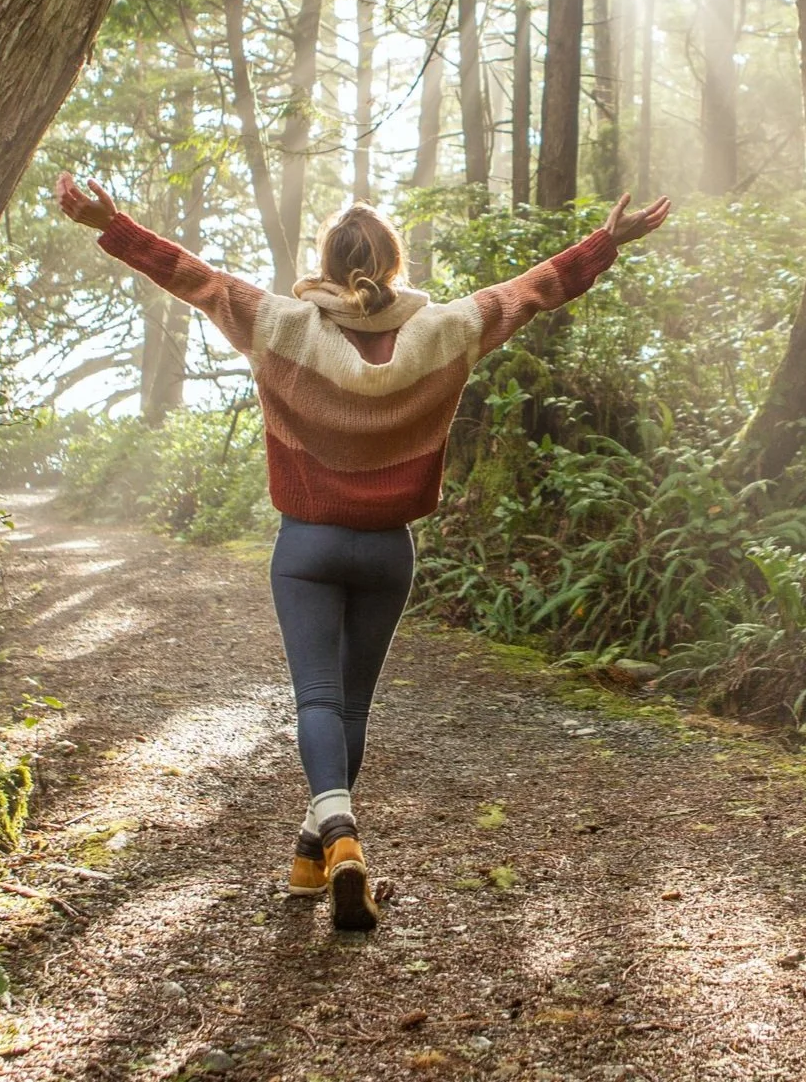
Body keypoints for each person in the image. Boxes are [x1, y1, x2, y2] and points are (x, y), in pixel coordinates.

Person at [56, 172, 670, 930]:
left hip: (307, 544)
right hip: (388, 552)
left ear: (327, 261)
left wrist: (112, 224)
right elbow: (532, 291)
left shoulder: (280, 324)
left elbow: (193, 277)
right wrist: (606, 242)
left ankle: (340, 837)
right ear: (392, 263)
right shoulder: (445, 329)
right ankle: (310, 854)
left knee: (317, 700)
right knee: (351, 705)